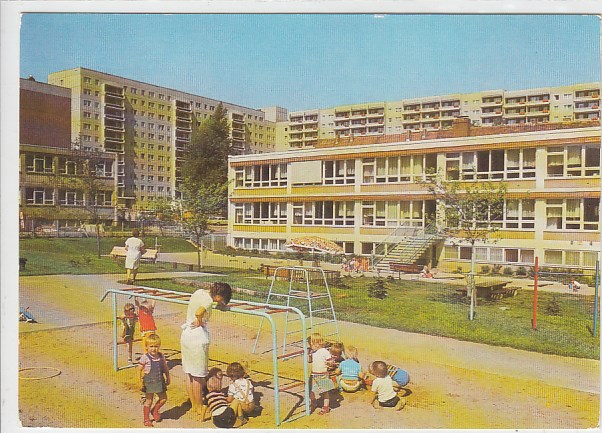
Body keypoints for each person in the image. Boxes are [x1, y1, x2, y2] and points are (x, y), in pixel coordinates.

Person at [180, 282, 232, 417]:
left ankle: (193, 404)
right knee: (198, 376)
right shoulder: (209, 301)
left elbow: (201, 306)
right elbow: (199, 312)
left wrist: (220, 306)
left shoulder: (200, 292)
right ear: (219, 296)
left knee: (190, 374)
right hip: (197, 337)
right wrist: (200, 320)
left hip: (186, 335)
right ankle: (199, 407)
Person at [138, 333, 170, 427]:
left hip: (160, 381)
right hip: (149, 382)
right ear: (147, 347)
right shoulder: (145, 357)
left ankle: (155, 410)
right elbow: (139, 370)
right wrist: (140, 382)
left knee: (163, 399)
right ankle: (146, 419)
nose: (153, 349)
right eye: (151, 346)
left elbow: (165, 368)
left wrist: (168, 377)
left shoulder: (161, 356)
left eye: (156, 346)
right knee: (149, 401)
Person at [308, 333, 335, 415]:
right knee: (310, 390)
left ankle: (326, 407)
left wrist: (329, 363)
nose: (310, 346)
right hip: (313, 374)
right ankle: (313, 401)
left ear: (317, 343)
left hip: (322, 374)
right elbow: (309, 361)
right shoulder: (312, 351)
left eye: (311, 344)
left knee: (324, 391)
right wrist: (309, 356)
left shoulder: (325, 351)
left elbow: (331, 362)